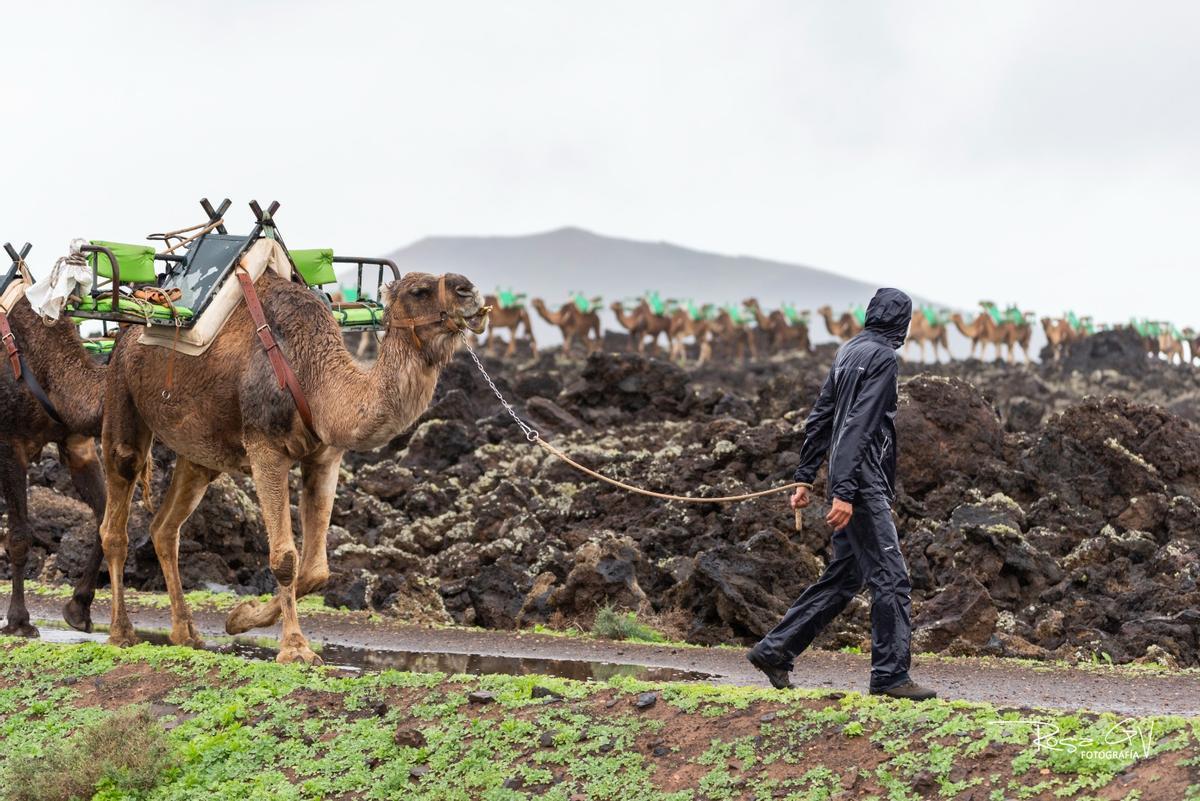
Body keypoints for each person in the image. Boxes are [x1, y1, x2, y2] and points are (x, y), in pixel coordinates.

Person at [747, 287, 936, 701]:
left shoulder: (849, 350)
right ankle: (889, 676)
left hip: (845, 474)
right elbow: (859, 426)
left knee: (845, 576)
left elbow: (822, 417)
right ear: (902, 322)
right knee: (891, 577)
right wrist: (846, 492)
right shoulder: (885, 357)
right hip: (862, 480)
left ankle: (775, 650)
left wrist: (806, 476)